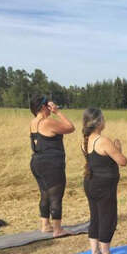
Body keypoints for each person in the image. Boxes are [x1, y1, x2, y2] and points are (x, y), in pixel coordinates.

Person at [81, 108, 127, 254]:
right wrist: (119, 148)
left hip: (90, 182)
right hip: (103, 185)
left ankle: (95, 251)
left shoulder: (85, 140)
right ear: (98, 122)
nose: (105, 121)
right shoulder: (103, 141)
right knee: (107, 217)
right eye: (103, 118)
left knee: (95, 216)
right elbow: (122, 161)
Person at [29, 95, 75, 236]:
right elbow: (71, 127)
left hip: (36, 162)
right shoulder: (47, 122)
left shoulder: (33, 122)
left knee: (45, 193)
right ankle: (57, 229)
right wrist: (57, 112)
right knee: (56, 195)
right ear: (44, 107)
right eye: (48, 104)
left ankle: (45, 225)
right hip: (51, 163)